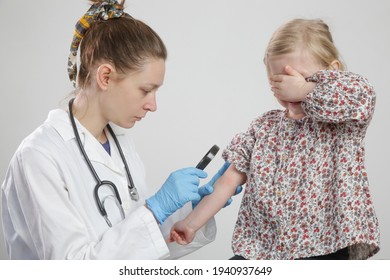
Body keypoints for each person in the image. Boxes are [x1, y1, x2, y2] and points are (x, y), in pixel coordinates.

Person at [0, 0, 240, 260]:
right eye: (145, 90)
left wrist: (196, 213)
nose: (153, 105)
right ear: (105, 77)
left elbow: (139, 250)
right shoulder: (40, 156)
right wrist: (155, 208)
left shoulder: (121, 144)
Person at [169, 18, 380, 260]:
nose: (289, 91)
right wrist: (192, 224)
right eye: (279, 83)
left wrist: (304, 90)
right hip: (267, 250)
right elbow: (228, 180)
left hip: (329, 246)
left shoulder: (343, 119)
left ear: (331, 72)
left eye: (300, 79)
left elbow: (363, 93)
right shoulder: (264, 128)